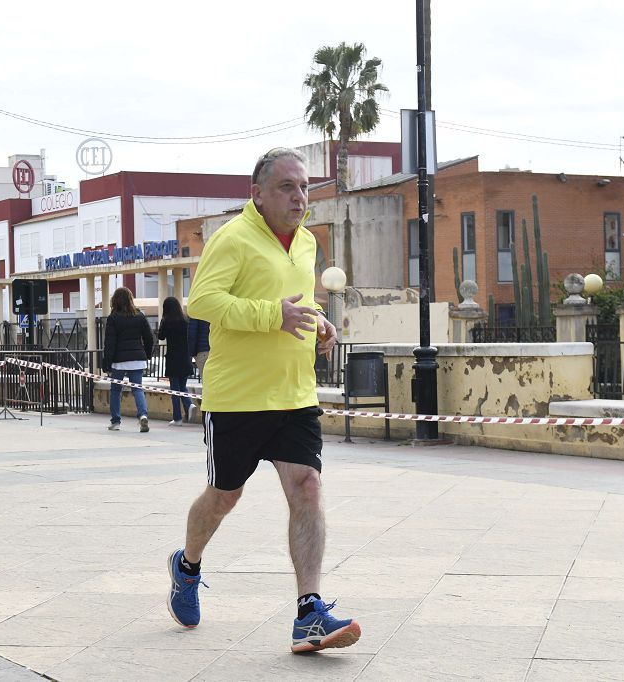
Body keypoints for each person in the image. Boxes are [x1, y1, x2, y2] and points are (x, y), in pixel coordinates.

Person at [166, 147, 360, 654]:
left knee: (308, 486)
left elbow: (301, 299)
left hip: (294, 393)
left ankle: (308, 613)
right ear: (257, 193)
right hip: (237, 398)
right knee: (224, 497)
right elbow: (202, 302)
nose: (300, 198)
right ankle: (186, 566)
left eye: (304, 188)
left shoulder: (308, 243)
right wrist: (269, 315)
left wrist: (319, 323)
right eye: (287, 188)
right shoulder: (232, 239)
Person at [102, 287, 154, 432]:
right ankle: (143, 415)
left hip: (119, 361)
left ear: (115, 300)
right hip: (137, 358)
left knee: (115, 390)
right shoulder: (140, 316)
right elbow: (149, 338)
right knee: (137, 389)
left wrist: (107, 363)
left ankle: (116, 421)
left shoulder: (113, 318)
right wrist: (147, 354)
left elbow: (110, 343)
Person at [158, 297, 198, 426]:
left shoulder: (167, 321)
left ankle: (178, 418)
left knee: (174, 390)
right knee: (182, 386)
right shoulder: (185, 320)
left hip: (173, 358)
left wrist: (162, 321)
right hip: (185, 357)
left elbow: (160, 336)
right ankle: (189, 404)